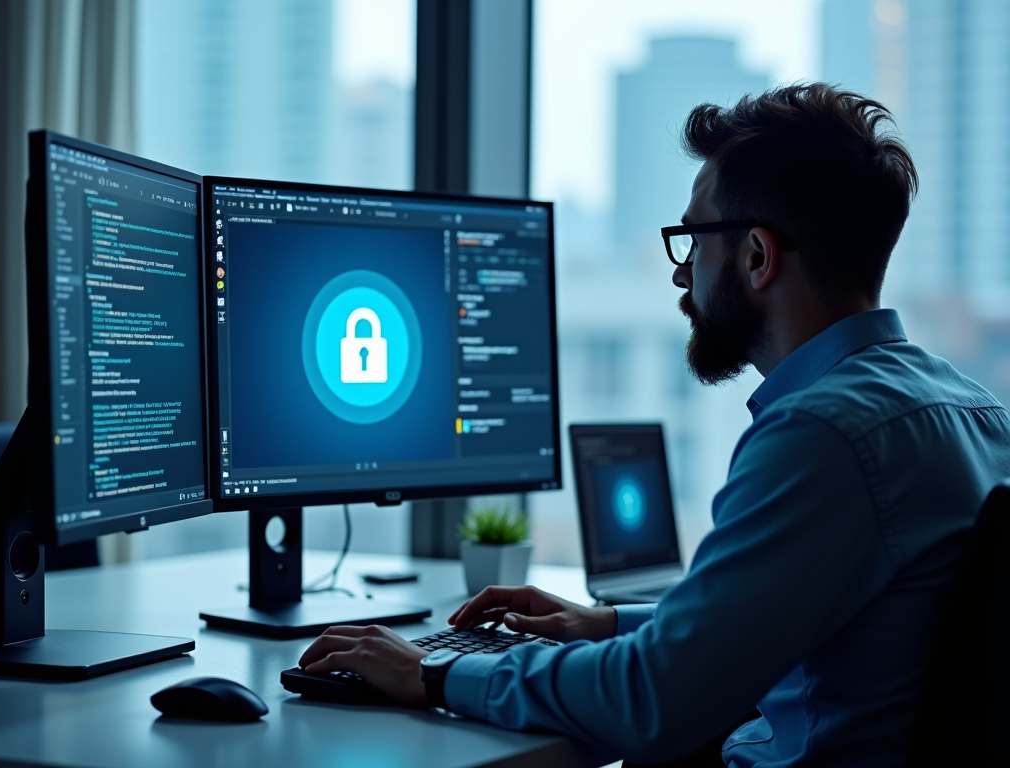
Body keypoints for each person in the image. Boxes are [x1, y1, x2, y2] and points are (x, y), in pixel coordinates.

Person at [298, 84, 1010, 767]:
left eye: (693, 240)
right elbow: (797, 617)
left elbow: (654, 702)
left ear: (757, 256)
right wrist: (610, 623)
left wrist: (433, 674)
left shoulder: (823, 434)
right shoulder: (972, 412)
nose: (681, 274)